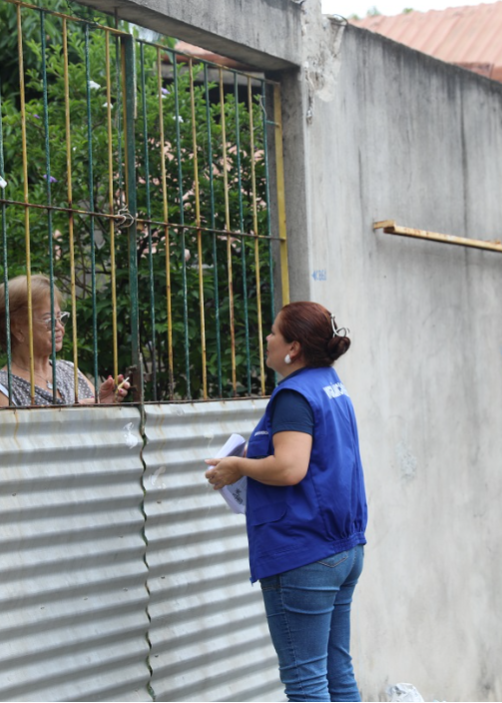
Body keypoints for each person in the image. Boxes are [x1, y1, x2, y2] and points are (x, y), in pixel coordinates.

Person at [205, 301, 367, 702]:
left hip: (303, 552)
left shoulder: (294, 395)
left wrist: (239, 466)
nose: (267, 338)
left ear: (293, 348)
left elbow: (291, 467)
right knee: (336, 671)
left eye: (274, 332)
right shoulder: (329, 384)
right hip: (340, 547)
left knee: (306, 682)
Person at [0, 274, 129, 407]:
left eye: (60, 318)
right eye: (49, 320)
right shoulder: (0, 390)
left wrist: (101, 402)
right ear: (17, 329)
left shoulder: (69, 370)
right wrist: (74, 415)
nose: (59, 327)